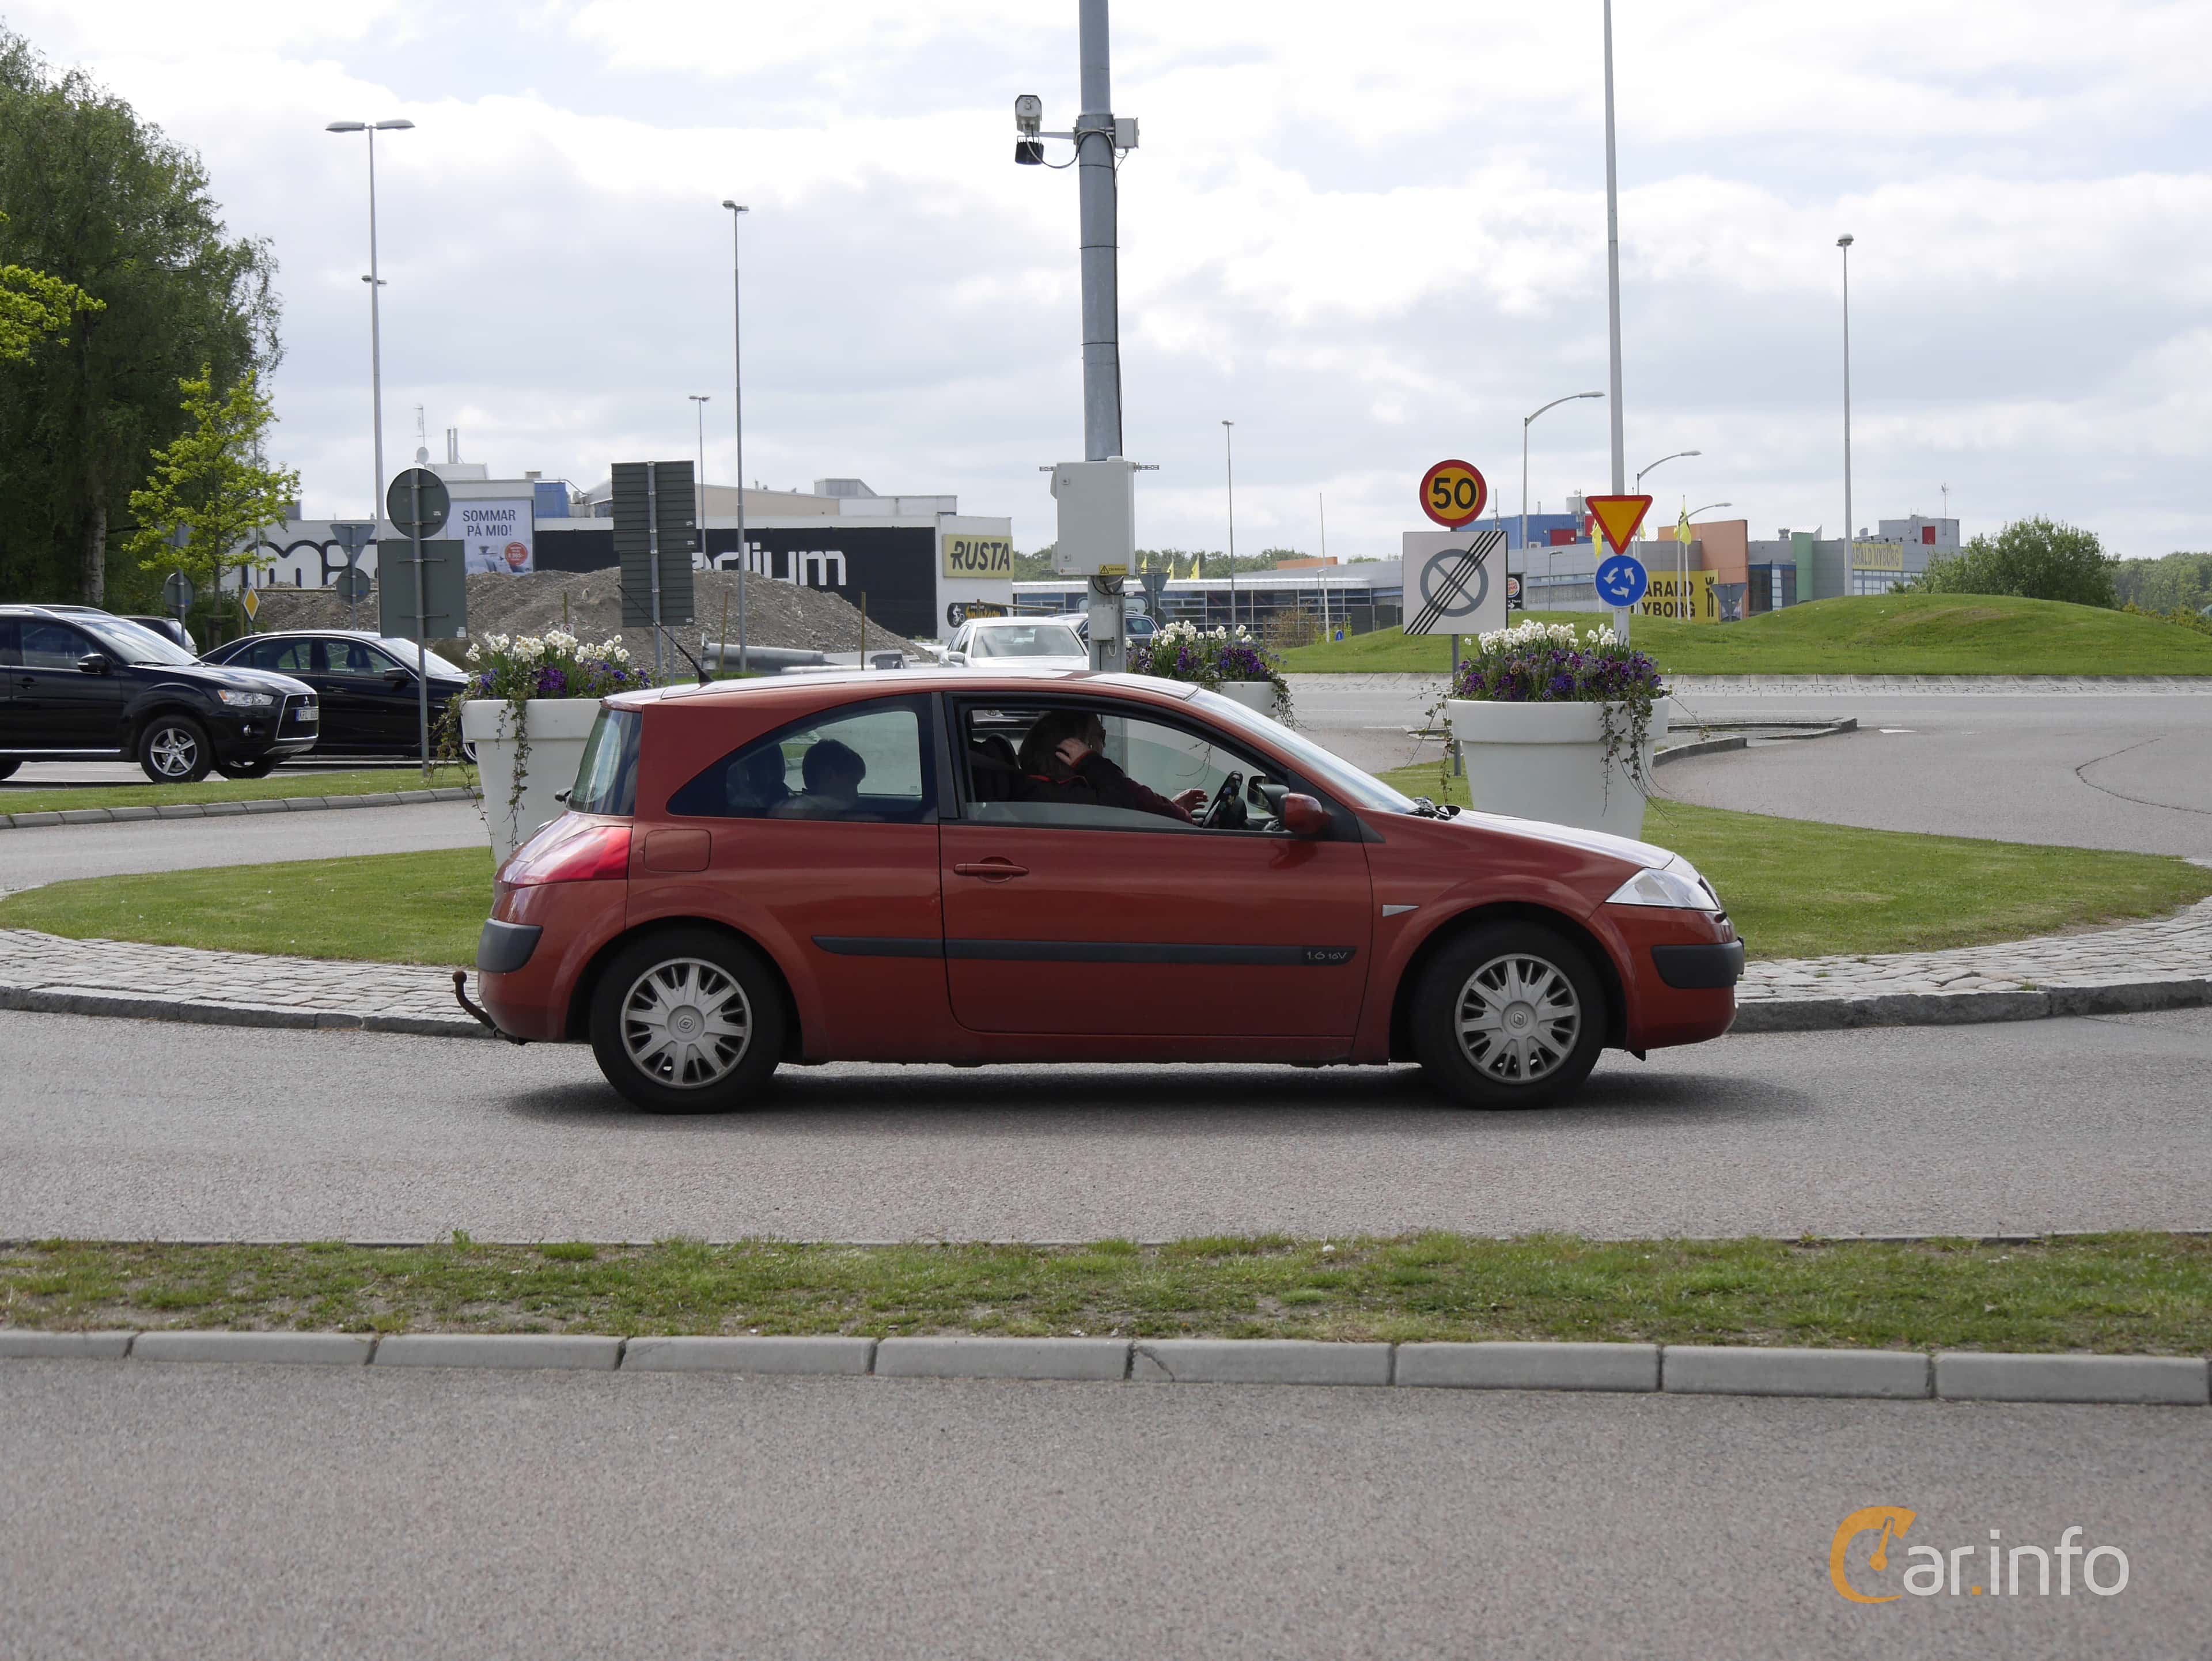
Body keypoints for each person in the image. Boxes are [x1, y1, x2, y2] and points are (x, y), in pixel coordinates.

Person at [1013, 710, 1208, 823]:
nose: (1104, 745)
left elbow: (1130, 800)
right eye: (1101, 736)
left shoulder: (1048, 790)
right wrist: (1091, 762)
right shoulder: (1060, 795)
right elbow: (1121, 810)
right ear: (1077, 747)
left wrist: (1172, 810)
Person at [768, 737, 872, 820]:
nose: (856, 793)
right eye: (852, 782)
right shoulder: (806, 812)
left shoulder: (801, 807)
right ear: (829, 776)